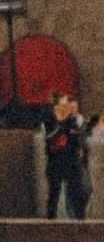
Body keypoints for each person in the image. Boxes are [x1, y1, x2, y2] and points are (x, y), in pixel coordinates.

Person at [46, 90, 92, 223]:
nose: (67, 109)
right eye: (64, 105)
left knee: (77, 189)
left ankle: (78, 218)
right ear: (57, 107)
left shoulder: (72, 120)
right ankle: (52, 222)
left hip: (71, 161)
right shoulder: (50, 119)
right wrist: (62, 129)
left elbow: (77, 139)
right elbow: (49, 139)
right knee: (54, 192)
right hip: (55, 160)